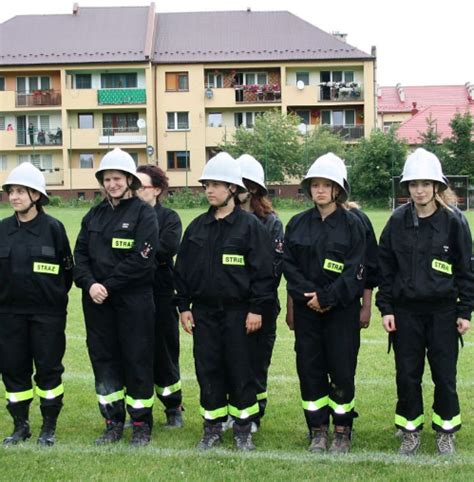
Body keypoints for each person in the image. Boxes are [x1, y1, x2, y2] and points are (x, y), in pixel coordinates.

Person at [376, 148, 474, 456]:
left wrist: (465, 310)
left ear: (437, 187)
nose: (419, 189)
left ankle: (445, 431)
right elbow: (385, 269)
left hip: (443, 312)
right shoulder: (396, 221)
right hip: (405, 312)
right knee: (407, 374)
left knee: (444, 374)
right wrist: (387, 308)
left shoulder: (454, 222)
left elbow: (466, 270)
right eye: (414, 184)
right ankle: (410, 430)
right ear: (407, 187)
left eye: (426, 184)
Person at [174, 152, 274, 451]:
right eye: (206, 185)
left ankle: (243, 430)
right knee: (208, 370)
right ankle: (212, 428)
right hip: (205, 314)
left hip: (239, 313)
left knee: (241, 370)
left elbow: (264, 273)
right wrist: (183, 307)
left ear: (232, 188)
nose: (209, 190)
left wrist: (256, 308)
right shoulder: (196, 228)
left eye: (216, 185)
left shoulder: (250, 227)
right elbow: (182, 271)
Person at [74, 148, 159, 446]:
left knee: (137, 360)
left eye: (117, 178)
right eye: (107, 179)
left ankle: (140, 424)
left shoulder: (144, 213)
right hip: (97, 303)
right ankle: (112, 422)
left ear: (129, 180)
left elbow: (142, 259)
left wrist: (107, 285)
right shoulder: (93, 215)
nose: (112, 184)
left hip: (133, 302)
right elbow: (79, 255)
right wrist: (89, 284)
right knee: (104, 360)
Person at [283, 153, 366, 454]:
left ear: (337, 190)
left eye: (326, 185)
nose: (320, 190)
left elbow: (356, 269)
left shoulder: (353, 225)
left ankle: (342, 430)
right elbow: (288, 265)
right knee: (310, 369)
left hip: (341, 312)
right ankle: (317, 429)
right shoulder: (297, 224)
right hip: (308, 312)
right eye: (315, 185)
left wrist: (328, 298)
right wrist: (310, 297)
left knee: (342, 370)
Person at [0, 162, 73, 446]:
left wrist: (50, 300)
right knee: (13, 370)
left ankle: (48, 427)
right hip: (8, 315)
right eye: (11, 192)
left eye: (21, 191)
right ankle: (20, 425)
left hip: (47, 315)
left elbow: (66, 272)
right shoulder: (2, 229)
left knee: (48, 370)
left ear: (36, 196)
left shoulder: (54, 228)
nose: (14, 197)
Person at [236, 154, 284, 428]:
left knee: (256, 361)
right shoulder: (224, 219)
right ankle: (236, 411)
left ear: (252, 188)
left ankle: (254, 413)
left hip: (261, 306)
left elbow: (272, 271)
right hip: (230, 306)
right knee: (232, 360)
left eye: (240, 183)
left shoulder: (271, 223)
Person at [136, 164, 184, 428]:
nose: (136, 191)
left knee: (164, 351)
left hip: (161, 293)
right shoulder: (126, 215)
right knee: (135, 352)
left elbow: (166, 249)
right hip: (130, 294)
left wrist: (137, 256)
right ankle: (139, 412)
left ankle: (173, 407)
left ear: (156, 189)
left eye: (141, 186)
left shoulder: (169, 218)